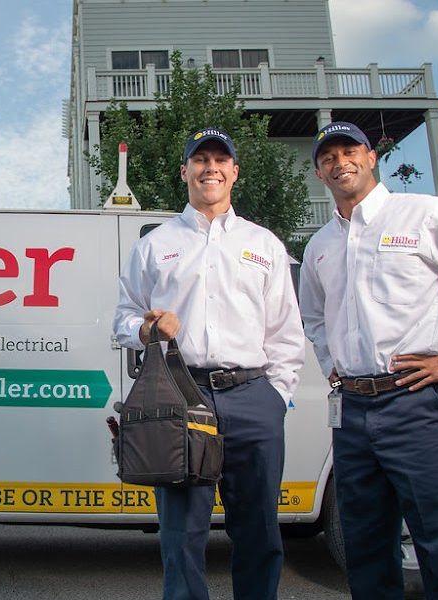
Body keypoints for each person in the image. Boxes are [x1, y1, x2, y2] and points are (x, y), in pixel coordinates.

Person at [298, 121, 438, 599]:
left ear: (371, 157)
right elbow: (314, 317)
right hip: (352, 414)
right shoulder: (320, 245)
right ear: (319, 172)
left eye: (350, 151)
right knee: (365, 553)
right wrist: (330, 360)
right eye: (328, 157)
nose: (340, 162)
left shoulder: (426, 215)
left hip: (416, 405)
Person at [114, 127, 306, 600]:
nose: (211, 168)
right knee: (182, 535)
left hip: (253, 396)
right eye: (201, 160)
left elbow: (285, 330)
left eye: (221, 160)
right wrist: (146, 329)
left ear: (234, 172)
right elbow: (123, 318)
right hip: (183, 396)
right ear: (185, 171)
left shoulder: (264, 243)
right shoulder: (155, 243)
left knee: (259, 531)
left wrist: (277, 398)